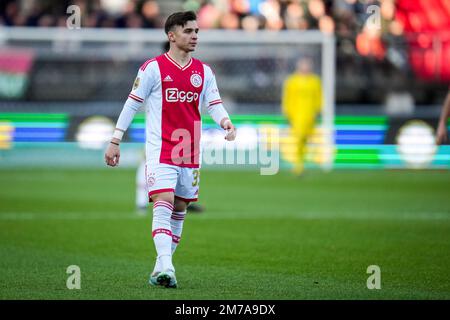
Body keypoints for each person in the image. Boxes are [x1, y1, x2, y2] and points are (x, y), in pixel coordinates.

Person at [105, 11, 236, 288]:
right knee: (163, 203)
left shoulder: (204, 72)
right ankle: (168, 266)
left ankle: (159, 268)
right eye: (188, 31)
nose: (195, 36)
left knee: (180, 208)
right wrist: (115, 139)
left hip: (190, 150)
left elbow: (213, 103)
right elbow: (132, 103)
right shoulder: (152, 68)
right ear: (171, 35)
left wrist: (225, 121)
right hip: (161, 149)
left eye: (197, 31)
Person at [282, 57, 322, 175]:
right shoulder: (292, 80)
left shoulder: (315, 81)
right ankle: (298, 165)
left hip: (310, 115)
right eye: (303, 65)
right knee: (299, 138)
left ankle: (301, 163)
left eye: (307, 65)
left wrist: (318, 110)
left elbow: (319, 97)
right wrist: (287, 112)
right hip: (296, 115)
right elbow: (287, 97)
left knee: (305, 139)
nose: (305, 68)